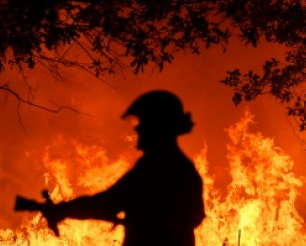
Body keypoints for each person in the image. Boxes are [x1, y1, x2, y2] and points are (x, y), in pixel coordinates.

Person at [36, 90, 205, 246]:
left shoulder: (154, 170)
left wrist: (64, 210)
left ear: (157, 126)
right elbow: (196, 215)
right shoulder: (181, 168)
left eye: (143, 122)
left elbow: (107, 203)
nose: (138, 128)